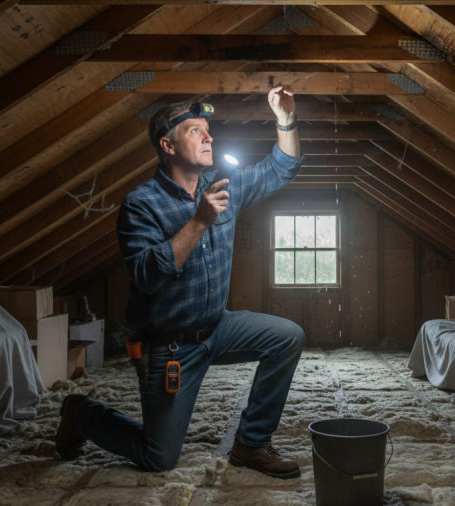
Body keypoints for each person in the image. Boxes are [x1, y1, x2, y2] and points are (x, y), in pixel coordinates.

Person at [55, 85, 306, 479]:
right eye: (195, 131)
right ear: (168, 146)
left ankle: (252, 443)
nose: (209, 137)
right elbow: (147, 276)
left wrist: (285, 118)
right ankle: (82, 413)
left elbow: (284, 166)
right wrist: (200, 221)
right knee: (159, 458)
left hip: (217, 328)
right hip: (168, 347)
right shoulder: (142, 204)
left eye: (208, 130)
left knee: (287, 336)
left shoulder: (224, 188)